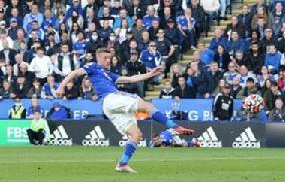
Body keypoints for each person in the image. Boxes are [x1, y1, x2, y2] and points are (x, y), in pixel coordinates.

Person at [57, 48, 194, 173]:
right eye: (105, 58)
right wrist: (61, 86)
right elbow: (75, 72)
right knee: (147, 106)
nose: (108, 60)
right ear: (98, 58)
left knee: (136, 135)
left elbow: (130, 79)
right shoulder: (93, 66)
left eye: (109, 58)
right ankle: (175, 127)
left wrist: (150, 74)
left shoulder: (109, 74)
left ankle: (122, 164)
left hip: (111, 106)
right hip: (110, 99)